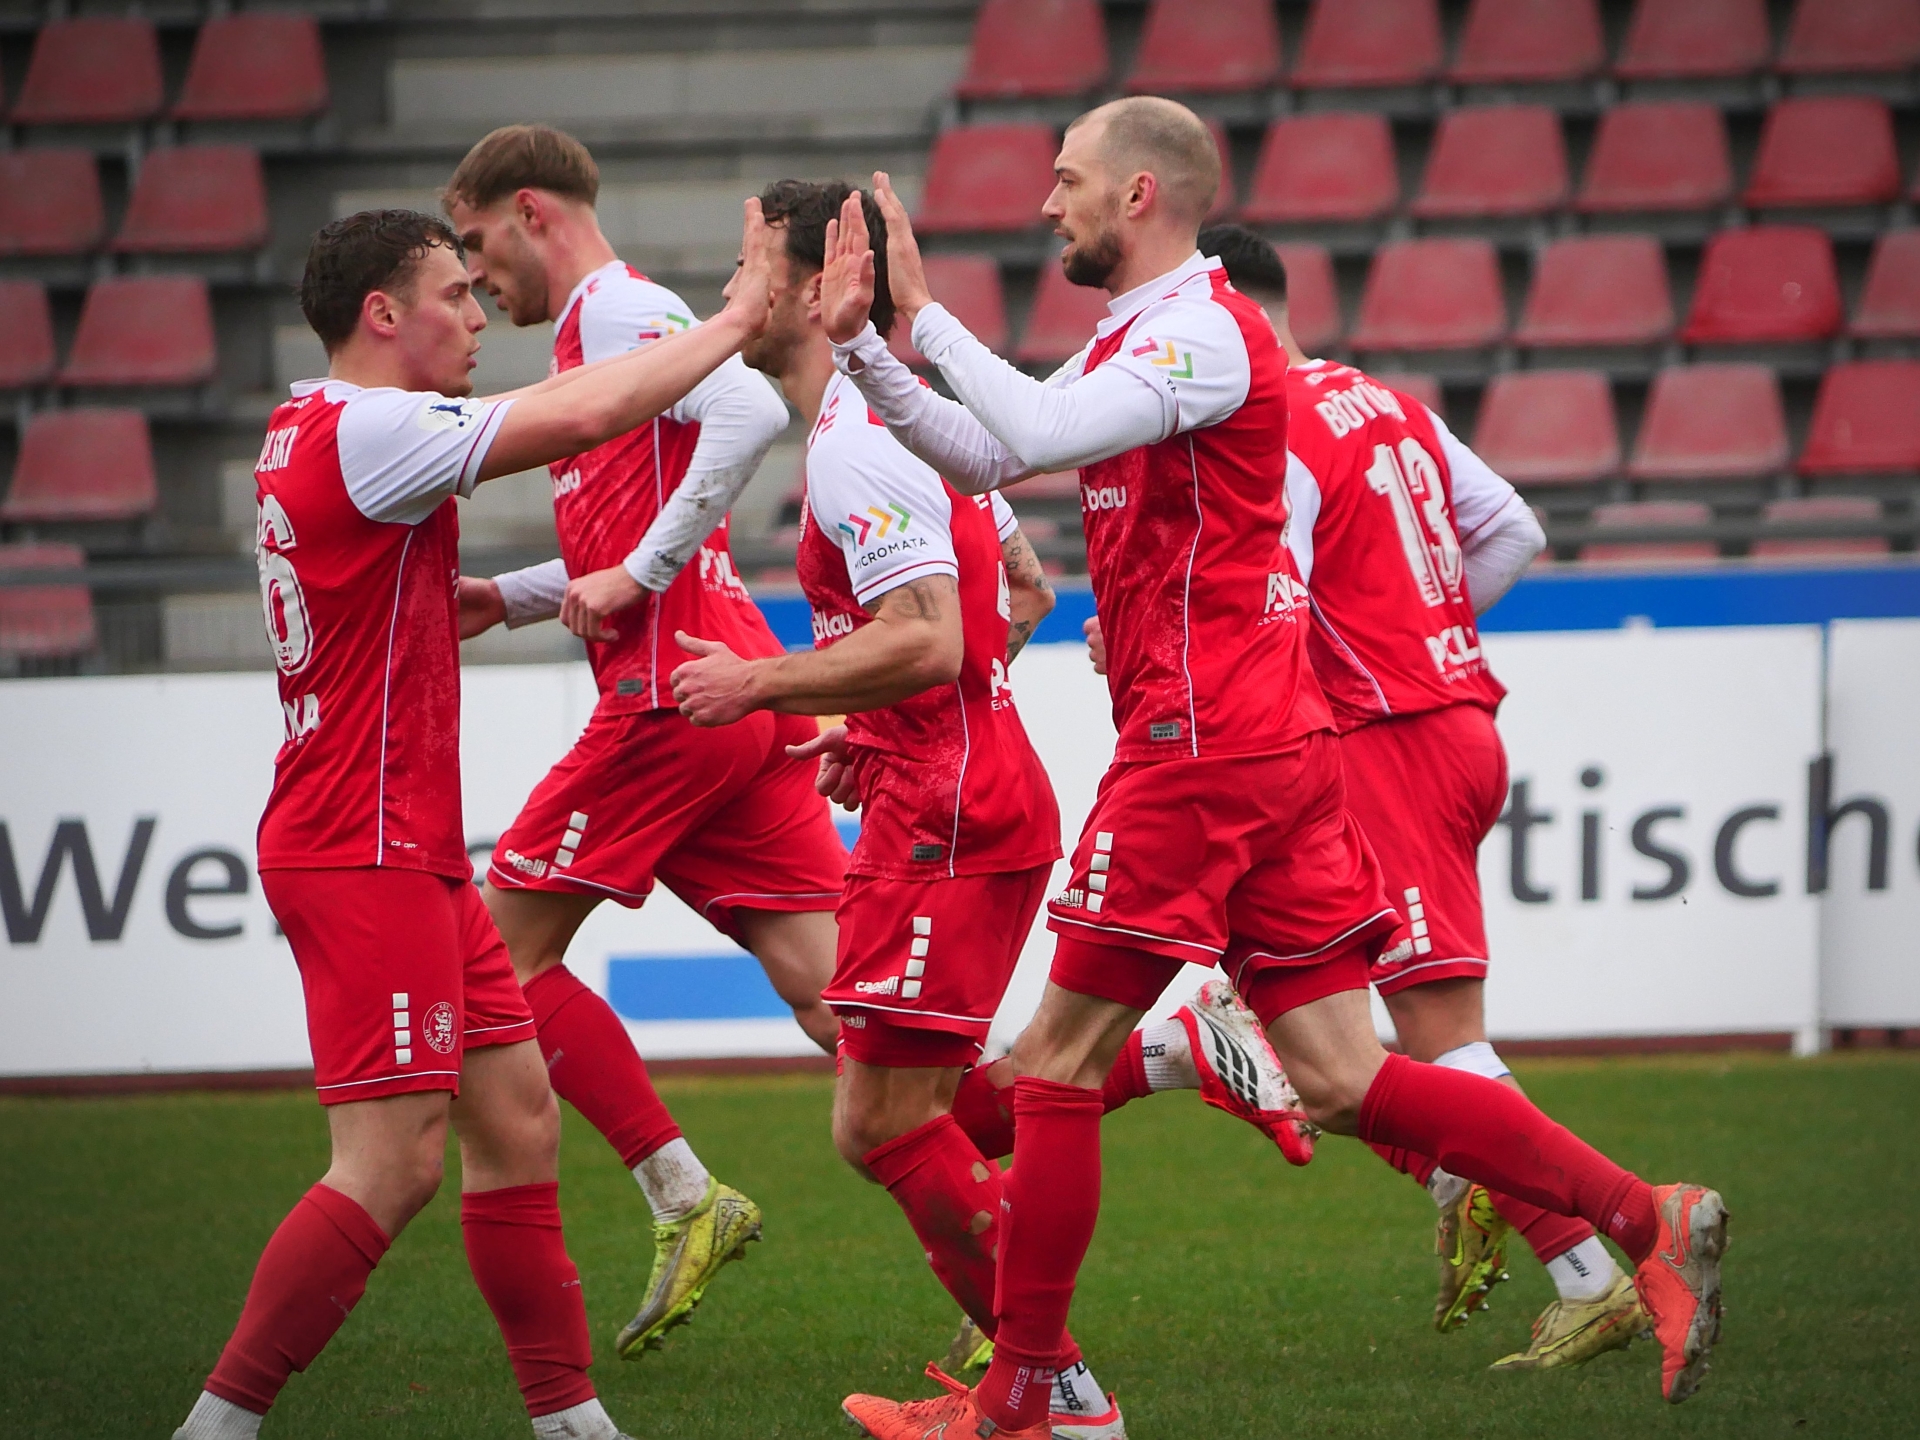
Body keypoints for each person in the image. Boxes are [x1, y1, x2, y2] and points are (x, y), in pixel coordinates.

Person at [817, 95, 1727, 1431]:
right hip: (1262, 742)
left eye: (1067, 181)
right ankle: (1648, 1216)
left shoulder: (1200, 330)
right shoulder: (1146, 334)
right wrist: (870, 350)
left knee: (1060, 1069)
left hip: (1203, 747)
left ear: (1140, 195)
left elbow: (1035, 435)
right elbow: (991, 449)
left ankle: (1031, 1403)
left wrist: (922, 309)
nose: (1047, 204)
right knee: (1348, 1078)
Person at [174, 203, 779, 1440]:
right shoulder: (375, 427)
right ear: (381, 315)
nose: (474, 318)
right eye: (451, 295)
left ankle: (572, 1424)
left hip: (407, 850)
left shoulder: (317, 423)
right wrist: (738, 320)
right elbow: (591, 414)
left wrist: (499, 595)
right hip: (363, 850)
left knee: (515, 1123)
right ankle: (215, 1428)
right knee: (389, 1166)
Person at [665, 178, 1122, 1440]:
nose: (727, 293)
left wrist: (761, 681)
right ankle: (1040, 1387)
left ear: (816, 287)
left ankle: (1054, 1398)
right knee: (896, 1111)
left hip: (953, 813)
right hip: (950, 787)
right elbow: (1015, 595)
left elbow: (929, 640)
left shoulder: (860, 438)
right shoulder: (874, 426)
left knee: (881, 1123)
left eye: (749, 265)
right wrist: (870, 727)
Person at [1195, 222, 1646, 1371]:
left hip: (1383, 742)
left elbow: (1268, 599)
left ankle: (1601, 1270)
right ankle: (1502, 1202)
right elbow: (1514, 530)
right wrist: (1425, 633)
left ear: (1220, 306)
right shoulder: (1380, 400)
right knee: (1353, 1046)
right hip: (1459, 720)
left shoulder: (1273, 424)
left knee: (1435, 1044)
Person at [442, 125, 850, 1359]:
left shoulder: (613, 310)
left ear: (529, 211)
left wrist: (643, 568)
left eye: (473, 248)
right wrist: (510, 595)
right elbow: (625, 527)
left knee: (489, 970)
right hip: (727, 688)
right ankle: (1153, 1055)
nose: (472, 282)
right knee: (857, 1012)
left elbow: (747, 408)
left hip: (672, 696)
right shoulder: (606, 330)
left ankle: (683, 1194)